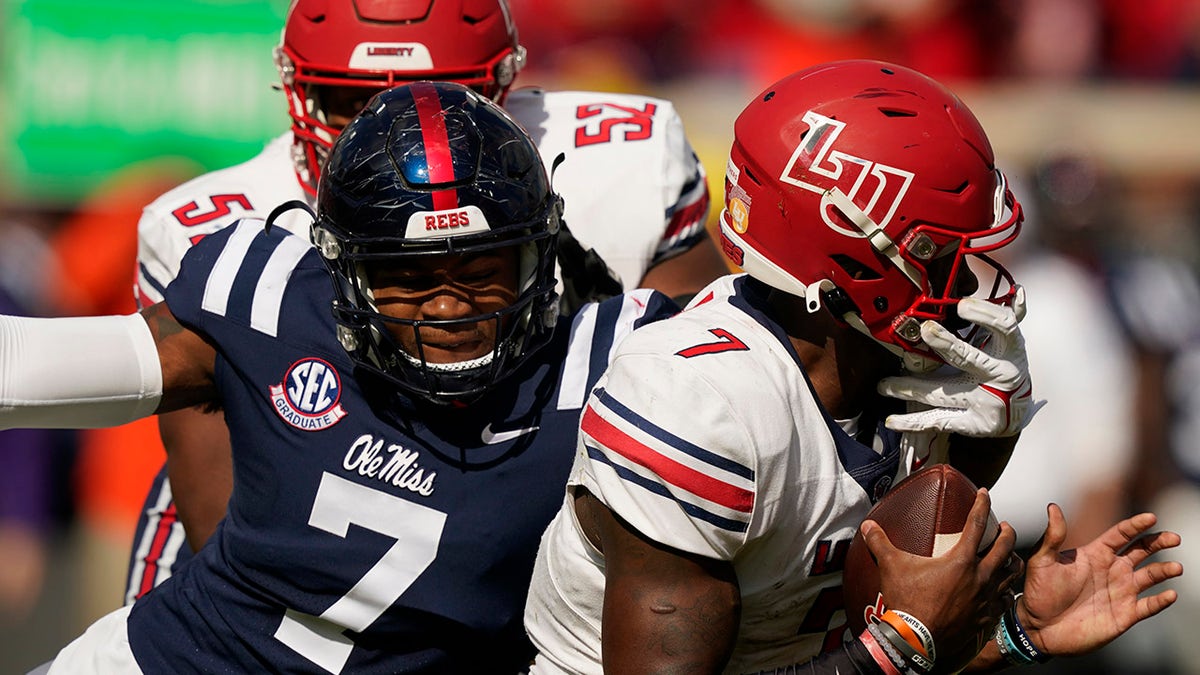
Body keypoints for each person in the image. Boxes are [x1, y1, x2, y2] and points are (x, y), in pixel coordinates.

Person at [522, 60, 1182, 674]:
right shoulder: (699, 401)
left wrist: (1011, 629)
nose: (967, 281)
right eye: (937, 251)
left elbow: (863, 634)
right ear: (848, 255)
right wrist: (899, 646)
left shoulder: (901, 374)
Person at [9, 82, 679, 673]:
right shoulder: (270, 307)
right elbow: (31, 365)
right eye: (409, 279)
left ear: (540, 256)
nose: (446, 308)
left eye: (481, 272)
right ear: (344, 273)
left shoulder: (610, 364)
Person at [126, 0, 728, 603]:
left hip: (532, 527)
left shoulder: (625, 160)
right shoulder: (210, 230)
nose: (405, 123)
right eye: (352, 102)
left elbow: (716, 391)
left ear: (503, 83)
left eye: (444, 92)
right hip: (283, 545)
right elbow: (217, 506)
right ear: (299, 91)